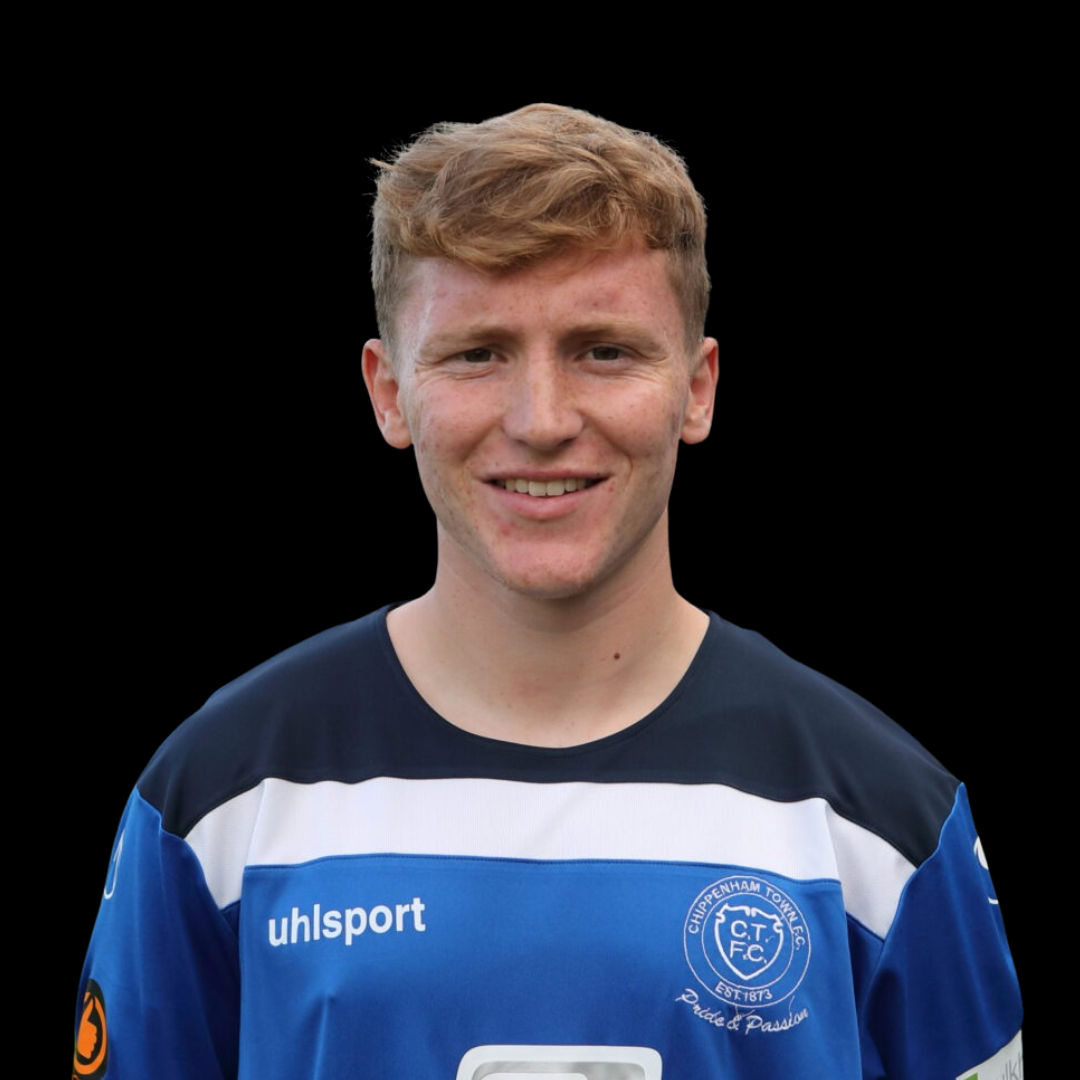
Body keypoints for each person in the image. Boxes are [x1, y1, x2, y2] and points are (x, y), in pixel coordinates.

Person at [74, 103, 1023, 1079]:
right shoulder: (220, 800)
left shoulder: (880, 819)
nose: (541, 420)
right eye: (477, 353)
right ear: (389, 392)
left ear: (697, 388)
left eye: (603, 350)